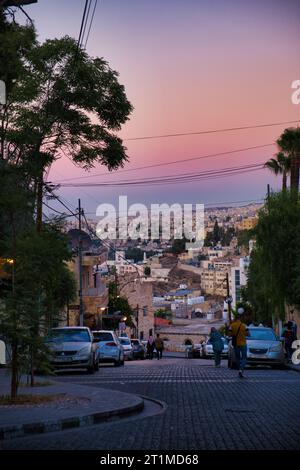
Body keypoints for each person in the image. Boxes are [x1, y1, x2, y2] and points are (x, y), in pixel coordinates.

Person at [228, 309, 249, 378]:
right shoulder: (244, 325)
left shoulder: (232, 325)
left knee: (237, 358)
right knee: (244, 358)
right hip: (243, 343)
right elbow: (248, 334)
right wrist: (243, 334)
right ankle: (241, 369)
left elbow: (229, 334)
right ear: (241, 319)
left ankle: (239, 368)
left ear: (236, 319)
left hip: (236, 344)